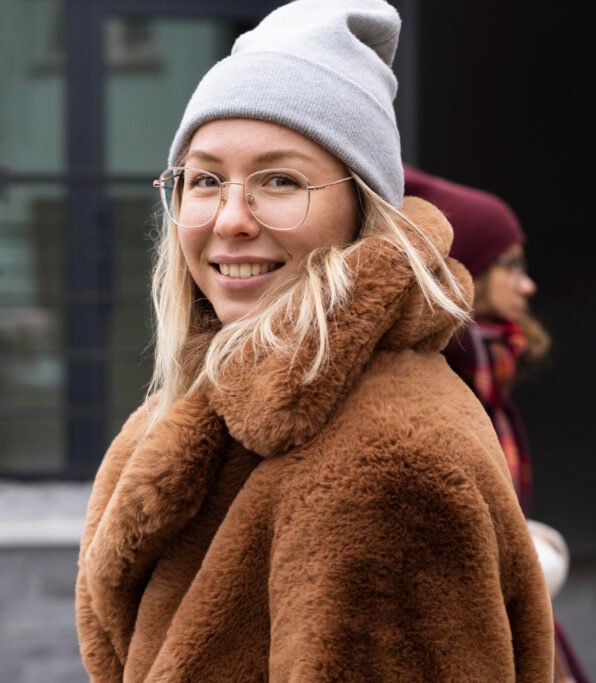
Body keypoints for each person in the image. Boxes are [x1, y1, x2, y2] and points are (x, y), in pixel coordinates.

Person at [74, 1, 555, 680]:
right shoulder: (208, 407)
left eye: (280, 180)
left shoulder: (386, 465)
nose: (230, 218)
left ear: (363, 211)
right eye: (205, 179)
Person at [404, 164, 591, 683]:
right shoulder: (439, 382)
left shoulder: (492, 374)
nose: (528, 284)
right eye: (511, 264)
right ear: (471, 266)